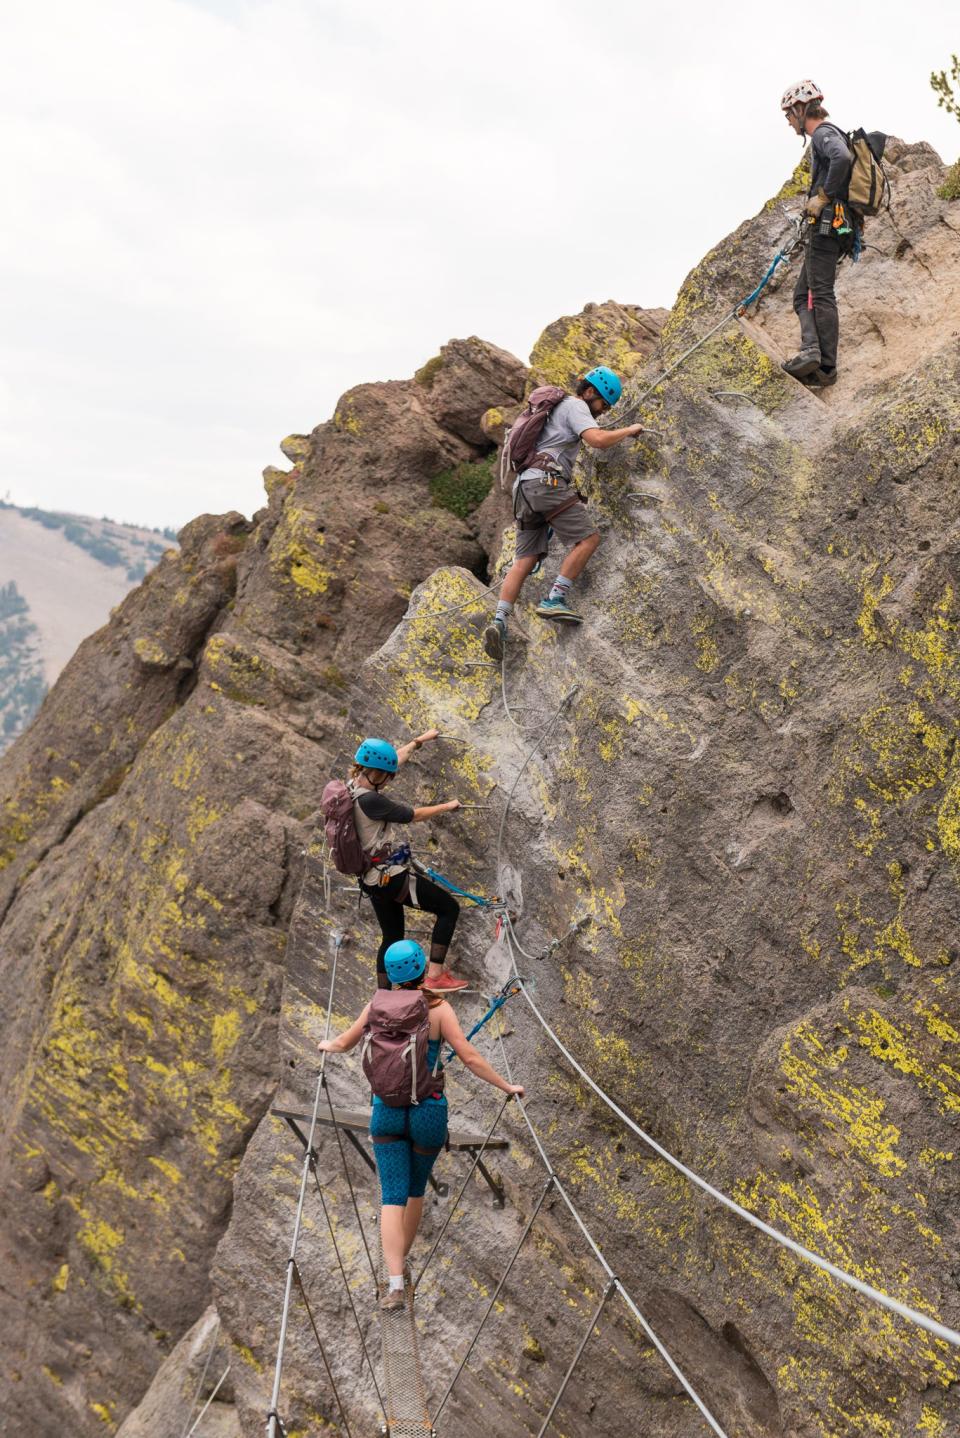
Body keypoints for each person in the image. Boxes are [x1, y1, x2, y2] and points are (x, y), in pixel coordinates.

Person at [318, 939, 524, 1310]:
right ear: (419, 970)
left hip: (387, 1110)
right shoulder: (439, 1009)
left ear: (393, 974)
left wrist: (327, 1045)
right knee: (415, 1189)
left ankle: (395, 1283)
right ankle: (405, 1265)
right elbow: (471, 1057)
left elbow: (345, 1043)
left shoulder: (375, 1006)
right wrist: (507, 1086)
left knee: (391, 1195)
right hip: (428, 1112)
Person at [483, 367, 646, 659]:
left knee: (524, 559)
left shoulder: (556, 411)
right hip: (546, 483)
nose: (602, 412)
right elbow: (596, 440)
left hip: (523, 489)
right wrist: (629, 431)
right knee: (589, 539)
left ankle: (499, 621)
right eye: (603, 405)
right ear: (590, 392)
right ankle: (555, 598)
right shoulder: (576, 406)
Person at [350, 733, 468, 993]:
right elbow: (413, 815)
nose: (391, 777)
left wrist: (418, 741)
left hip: (371, 880)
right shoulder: (372, 801)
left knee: (391, 937)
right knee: (448, 908)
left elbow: (392, 760)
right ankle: (435, 975)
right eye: (389, 775)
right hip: (390, 877)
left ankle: (383, 994)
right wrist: (448, 806)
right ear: (379, 774)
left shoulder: (351, 788)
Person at [780, 80, 855, 388]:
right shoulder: (829, 134)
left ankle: (825, 367)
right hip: (832, 226)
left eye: (788, 115)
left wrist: (822, 196)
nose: (788, 122)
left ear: (800, 109)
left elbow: (842, 158)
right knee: (802, 295)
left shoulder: (823, 134)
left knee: (820, 293)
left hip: (826, 226)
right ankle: (813, 353)